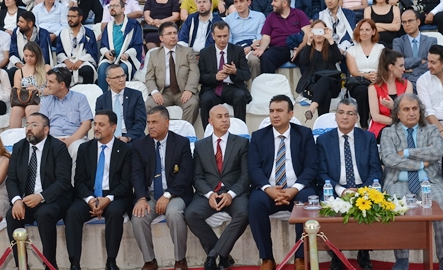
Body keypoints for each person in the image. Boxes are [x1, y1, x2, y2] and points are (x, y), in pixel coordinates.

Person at [248, 95, 318, 270]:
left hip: (297, 189)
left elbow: (311, 166)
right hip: (268, 189)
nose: (275, 115)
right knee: (255, 203)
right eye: (272, 111)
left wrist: (294, 189)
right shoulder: (258, 136)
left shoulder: (304, 134)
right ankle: (267, 258)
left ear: (290, 114)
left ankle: (300, 258)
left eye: (279, 111)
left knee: (308, 198)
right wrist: (268, 189)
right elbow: (254, 168)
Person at [316, 99, 382, 270]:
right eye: (341, 113)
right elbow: (321, 173)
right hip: (336, 188)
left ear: (357, 117)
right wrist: (342, 190)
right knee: (328, 210)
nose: (345, 117)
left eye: (350, 113)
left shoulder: (368, 138)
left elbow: (376, 170)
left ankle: (364, 251)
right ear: (336, 116)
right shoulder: (323, 140)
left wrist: (363, 191)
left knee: (370, 207)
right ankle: (336, 254)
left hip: (364, 187)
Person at [380, 93, 443, 270]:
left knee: (442, 205)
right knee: (397, 207)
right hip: (398, 182)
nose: (411, 113)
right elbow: (389, 159)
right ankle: (402, 260)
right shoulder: (388, 132)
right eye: (406, 109)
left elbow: (437, 152)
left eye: (415, 109)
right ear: (398, 114)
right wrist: (422, 163)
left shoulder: (431, 129)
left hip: (429, 181)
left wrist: (406, 152)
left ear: (420, 111)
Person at [65, 110, 133, 270]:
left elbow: (126, 183)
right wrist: (90, 201)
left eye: (101, 124)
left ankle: (111, 261)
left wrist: (107, 199)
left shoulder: (125, 150)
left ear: (113, 127)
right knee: (72, 213)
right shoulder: (84, 149)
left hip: (115, 196)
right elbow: (78, 181)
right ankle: (74, 263)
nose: (96, 128)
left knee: (115, 212)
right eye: (95, 124)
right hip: (89, 195)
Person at [185, 105, 250, 270]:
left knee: (244, 213)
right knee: (191, 214)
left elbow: (246, 175)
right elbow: (197, 177)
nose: (224, 120)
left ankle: (213, 255)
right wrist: (209, 194)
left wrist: (231, 194)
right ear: (210, 121)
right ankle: (224, 256)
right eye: (220, 116)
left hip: (234, 193)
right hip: (209, 194)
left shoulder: (242, 143)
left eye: (227, 116)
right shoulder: (200, 146)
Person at [6, 112, 73, 270]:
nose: (29, 128)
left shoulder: (58, 148)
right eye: (27, 124)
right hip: (26, 200)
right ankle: (21, 265)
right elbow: (11, 179)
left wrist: (41, 197)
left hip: (53, 199)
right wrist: (16, 201)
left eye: (34, 125)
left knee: (44, 214)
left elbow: (63, 181)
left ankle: (50, 264)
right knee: (12, 215)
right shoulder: (19, 147)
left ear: (46, 130)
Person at [131, 105, 194, 270]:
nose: (150, 126)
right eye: (148, 122)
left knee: (174, 214)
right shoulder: (139, 145)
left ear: (166, 123)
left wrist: (168, 195)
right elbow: (136, 175)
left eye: (154, 122)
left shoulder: (181, 143)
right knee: (138, 217)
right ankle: (150, 261)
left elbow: (186, 174)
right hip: (150, 195)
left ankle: (180, 260)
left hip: (176, 194)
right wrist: (141, 198)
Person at [144, 22, 200, 125]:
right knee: (149, 105)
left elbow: (194, 72)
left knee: (192, 103)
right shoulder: (154, 54)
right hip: (163, 92)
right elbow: (149, 77)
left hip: (182, 90)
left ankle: (184, 134)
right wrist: (154, 92)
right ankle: (160, 134)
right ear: (161, 38)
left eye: (175, 33)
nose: (173, 36)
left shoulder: (187, 52)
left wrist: (189, 89)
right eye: (169, 33)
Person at [198, 21, 252, 127]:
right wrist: (215, 77)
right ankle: (208, 134)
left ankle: (240, 131)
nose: (222, 39)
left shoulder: (238, 50)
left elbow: (247, 75)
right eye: (219, 36)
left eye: (225, 36)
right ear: (213, 36)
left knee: (240, 96)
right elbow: (201, 77)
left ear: (229, 35)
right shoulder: (205, 52)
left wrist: (235, 71)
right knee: (205, 100)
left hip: (232, 87)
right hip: (213, 88)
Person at [40, 67, 92, 162]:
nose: (47, 85)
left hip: (76, 139)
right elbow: (42, 126)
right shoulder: (46, 102)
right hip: (52, 139)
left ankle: (74, 178)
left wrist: (69, 141)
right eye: (47, 81)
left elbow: (87, 124)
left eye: (51, 82)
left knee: (79, 149)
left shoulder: (80, 99)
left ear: (62, 85)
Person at [296, 20, 344, 121]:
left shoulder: (331, 47)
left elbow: (338, 58)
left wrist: (330, 39)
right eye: (315, 31)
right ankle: (323, 122)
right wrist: (308, 42)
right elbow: (303, 61)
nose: (318, 34)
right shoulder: (308, 48)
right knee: (326, 93)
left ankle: (312, 109)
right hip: (312, 84)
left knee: (324, 80)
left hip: (332, 82)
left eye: (321, 31)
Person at [253, 0, 311, 74]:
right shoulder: (271, 17)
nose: (272, 4)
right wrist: (262, 48)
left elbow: (308, 33)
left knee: (307, 56)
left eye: (275, 1)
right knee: (266, 57)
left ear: (284, 3)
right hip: (278, 48)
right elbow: (266, 37)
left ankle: (307, 86)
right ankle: (268, 86)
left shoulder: (299, 14)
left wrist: (299, 49)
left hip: (297, 47)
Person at [346, 19, 385, 128]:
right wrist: (366, 76)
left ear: (373, 32)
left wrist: (377, 76)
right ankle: (364, 123)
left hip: (377, 80)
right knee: (363, 91)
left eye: (367, 30)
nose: (364, 32)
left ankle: (376, 121)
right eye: (361, 30)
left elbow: (384, 68)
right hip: (359, 81)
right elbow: (353, 72)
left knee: (377, 89)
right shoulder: (351, 50)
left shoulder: (381, 48)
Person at [98, 0, 143, 91]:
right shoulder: (108, 26)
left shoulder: (134, 25)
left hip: (126, 60)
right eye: (110, 6)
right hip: (111, 59)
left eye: (115, 6)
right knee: (102, 68)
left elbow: (138, 45)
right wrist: (107, 53)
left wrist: (127, 54)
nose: (112, 8)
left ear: (123, 9)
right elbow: (103, 45)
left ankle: (123, 96)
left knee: (122, 69)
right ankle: (103, 97)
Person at [94, 63, 147, 142]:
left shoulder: (136, 96)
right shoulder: (101, 100)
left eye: (123, 76)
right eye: (117, 77)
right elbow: (100, 124)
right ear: (108, 81)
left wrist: (127, 137)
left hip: (132, 138)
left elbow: (141, 122)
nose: (122, 80)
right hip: (109, 138)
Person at [9, 42, 50, 129]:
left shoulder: (46, 68)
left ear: (37, 56)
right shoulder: (19, 72)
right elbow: (17, 91)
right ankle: (13, 137)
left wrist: (37, 90)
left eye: (31, 56)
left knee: (30, 108)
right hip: (25, 99)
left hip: (42, 98)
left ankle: (33, 134)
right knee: (16, 109)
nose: (28, 58)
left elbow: (52, 89)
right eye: (26, 55)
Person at [393, 8, 437, 89]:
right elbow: (398, 63)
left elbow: (433, 64)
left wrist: (412, 70)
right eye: (404, 22)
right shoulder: (398, 42)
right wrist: (420, 60)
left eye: (410, 21)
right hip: (406, 81)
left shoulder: (431, 41)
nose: (407, 24)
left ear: (418, 22)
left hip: (428, 80)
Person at [55, 7, 99, 86]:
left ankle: (88, 94)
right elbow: (59, 52)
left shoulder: (88, 33)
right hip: (68, 62)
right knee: (57, 72)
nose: (70, 19)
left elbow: (92, 51)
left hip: (83, 62)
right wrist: (66, 61)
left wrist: (81, 60)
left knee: (88, 71)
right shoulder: (63, 33)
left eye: (73, 16)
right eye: (68, 16)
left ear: (80, 18)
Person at [418, 45, 443, 130]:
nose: (428, 66)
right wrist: (441, 130)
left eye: (433, 62)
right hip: (432, 125)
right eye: (428, 61)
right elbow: (427, 111)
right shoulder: (422, 80)